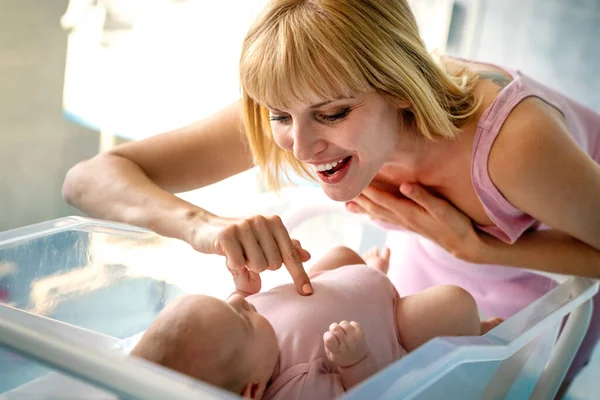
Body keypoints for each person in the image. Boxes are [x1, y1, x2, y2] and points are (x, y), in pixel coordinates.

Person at [62, 0, 600, 392]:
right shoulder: (300, 93)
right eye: (279, 117)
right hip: (406, 299)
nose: (300, 145)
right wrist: (203, 226)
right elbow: (87, 179)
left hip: (538, 312)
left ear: (397, 88)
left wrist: (482, 250)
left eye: (333, 113)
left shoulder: (513, 146)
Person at [130, 246, 502, 399]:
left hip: (330, 286)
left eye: (231, 304)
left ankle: (369, 272)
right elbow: (362, 395)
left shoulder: (237, 342)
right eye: (241, 317)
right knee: (453, 306)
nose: (241, 305)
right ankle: (479, 333)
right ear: (253, 391)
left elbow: (236, 312)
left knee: (341, 254)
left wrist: (242, 289)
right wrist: (355, 361)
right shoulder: (295, 388)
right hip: (390, 322)